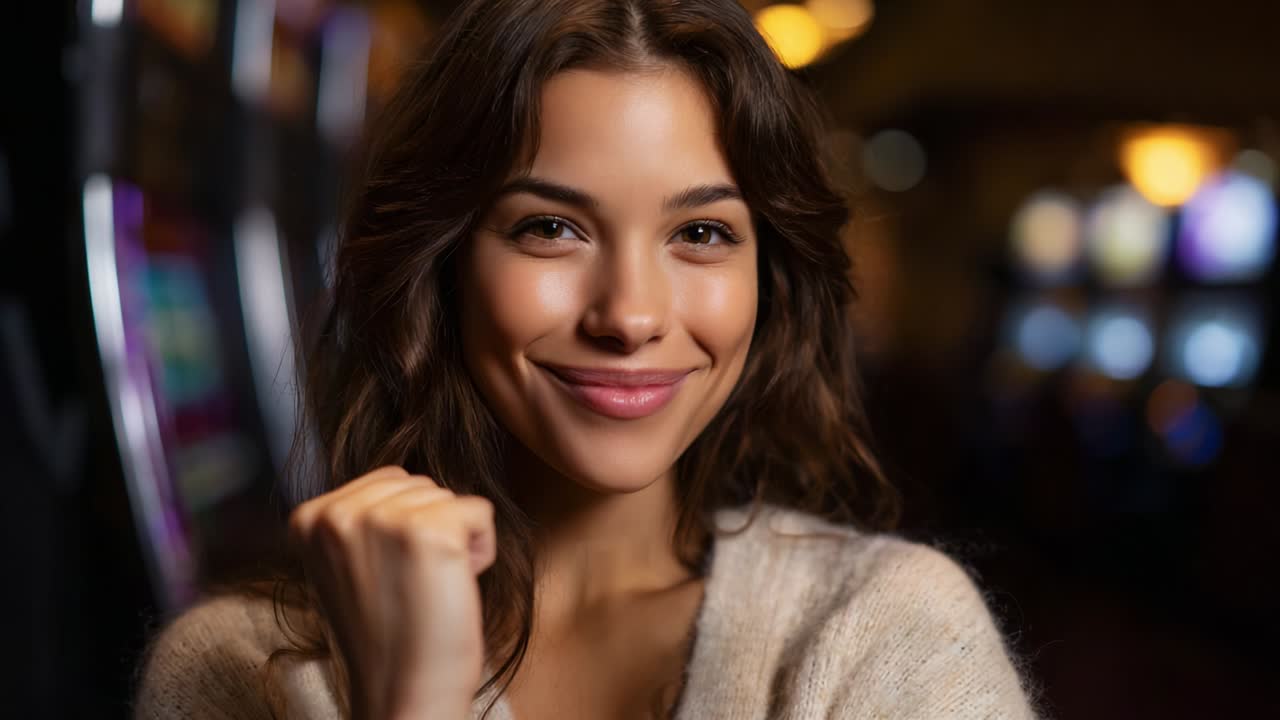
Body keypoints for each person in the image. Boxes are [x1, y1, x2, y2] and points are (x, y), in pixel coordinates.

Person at [133, 0, 1043, 718]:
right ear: (439, 264)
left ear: (771, 277)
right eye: (551, 228)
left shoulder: (889, 635)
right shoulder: (231, 672)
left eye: (700, 232)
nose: (631, 315)